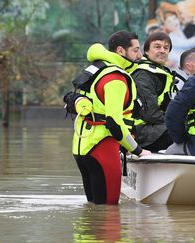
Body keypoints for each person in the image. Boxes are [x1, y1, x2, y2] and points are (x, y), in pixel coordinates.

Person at [66, 30, 151, 205]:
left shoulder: (96, 70)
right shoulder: (115, 78)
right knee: (109, 212)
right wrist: (138, 150)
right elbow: (113, 121)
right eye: (135, 50)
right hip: (103, 149)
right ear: (121, 51)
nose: (140, 55)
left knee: (93, 211)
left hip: (83, 149)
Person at [131, 31, 180, 153]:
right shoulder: (143, 75)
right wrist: (176, 123)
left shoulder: (162, 72)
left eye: (166, 48)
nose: (162, 50)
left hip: (156, 128)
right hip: (141, 131)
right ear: (146, 51)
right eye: (157, 47)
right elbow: (150, 114)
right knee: (184, 133)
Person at [158, 2, 195, 70]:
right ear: (165, 25)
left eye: (175, 19)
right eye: (170, 22)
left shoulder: (181, 30)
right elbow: (189, 43)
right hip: (178, 68)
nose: (174, 22)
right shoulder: (171, 37)